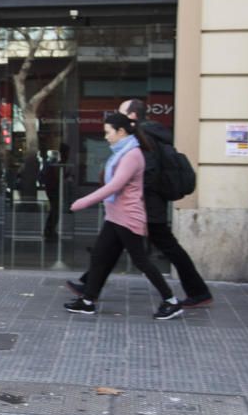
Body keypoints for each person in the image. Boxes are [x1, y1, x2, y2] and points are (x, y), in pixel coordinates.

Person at [68, 98, 213, 307]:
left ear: (132, 116)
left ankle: (190, 293)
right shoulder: (144, 137)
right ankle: (90, 290)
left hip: (146, 209)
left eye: (121, 113)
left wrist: (132, 201)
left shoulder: (144, 140)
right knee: (109, 248)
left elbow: (146, 176)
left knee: (158, 252)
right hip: (138, 208)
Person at [64, 112, 183, 320]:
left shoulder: (132, 155)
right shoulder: (121, 151)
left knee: (141, 261)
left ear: (121, 131)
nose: (106, 137)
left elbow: (115, 185)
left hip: (127, 217)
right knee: (100, 256)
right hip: (115, 216)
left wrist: (83, 202)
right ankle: (88, 301)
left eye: (108, 132)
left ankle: (171, 301)